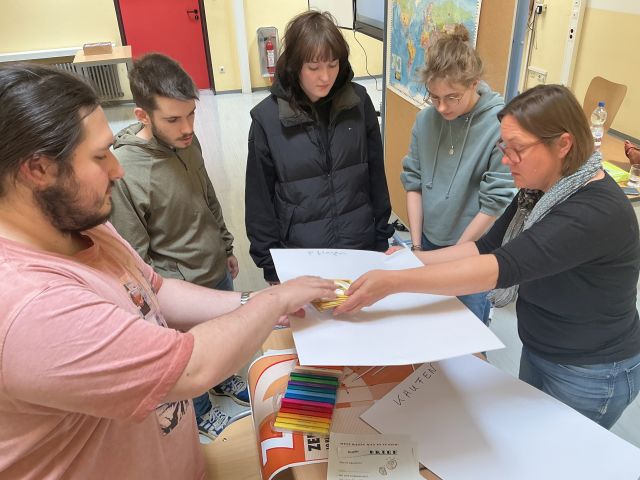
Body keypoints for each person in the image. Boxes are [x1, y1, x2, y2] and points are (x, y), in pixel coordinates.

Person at [0, 64, 336, 478]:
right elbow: (190, 368)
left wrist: (253, 300)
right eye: (100, 156)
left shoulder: (77, 223)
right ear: (38, 170)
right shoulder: (32, 307)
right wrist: (274, 300)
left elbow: (153, 290)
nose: (117, 170)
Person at [335, 84, 640, 429]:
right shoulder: (538, 191)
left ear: (563, 144)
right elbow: (484, 246)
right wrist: (410, 259)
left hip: (590, 370)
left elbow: (498, 268)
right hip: (543, 347)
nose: (507, 160)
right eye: (504, 148)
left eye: (517, 149)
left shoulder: (591, 211)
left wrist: (395, 281)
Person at [109, 53, 247, 441]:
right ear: (143, 115)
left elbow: (207, 195)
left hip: (215, 266)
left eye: (191, 115)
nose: (187, 128)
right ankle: (200, 412)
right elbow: (135, 257)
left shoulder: (188, 142)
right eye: (173, 119)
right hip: (178, 287)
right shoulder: (125, 171)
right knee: (188, 354)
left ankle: (224, 380)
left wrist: (225, 245)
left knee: (223, 335)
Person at [245, 10, 394, 284]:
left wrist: (381, 240)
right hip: (301, 257)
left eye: (333, 65)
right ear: (294, 66)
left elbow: (376, 176)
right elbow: (259, 202)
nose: (325, 77)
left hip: (359, 248)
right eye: (313, 68)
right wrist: (271, 267)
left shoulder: (359, 102)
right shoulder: (267, 119)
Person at [400, 24, 516, 324]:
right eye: (433, 96)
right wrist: (417, 246)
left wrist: (457, 256)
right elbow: (413, 182)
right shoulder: (425, 120)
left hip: (472, 250)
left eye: (452, 97)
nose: (441, 107)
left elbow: (494, 204)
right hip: (427, 240)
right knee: (425, 325)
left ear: (474, 83)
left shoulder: (498, 126)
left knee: (467, 331)